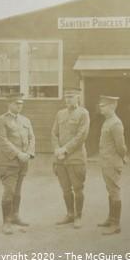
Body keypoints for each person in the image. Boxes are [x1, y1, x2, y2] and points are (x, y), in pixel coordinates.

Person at [0, 93, 35, 235]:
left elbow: (31, 138)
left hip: (23, 162)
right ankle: (6, 222)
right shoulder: (1, 120)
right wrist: (19, 154)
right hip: (8, 163)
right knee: (9, 191)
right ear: (9, 104)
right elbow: (2, 141)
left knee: (18, 191)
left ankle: (15, 216)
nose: (20, 106)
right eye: (17, 103)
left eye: (21, 103)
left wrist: (29, 153)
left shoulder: (25, 120)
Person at [51, 88, 90, 229]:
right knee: (65, 189)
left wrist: (65, 149)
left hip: (76, 158)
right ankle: (70, 214)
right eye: (66, 97)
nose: (68, 99)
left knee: (78, 188)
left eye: (71, 96)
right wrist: (57, 149)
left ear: (78, 98)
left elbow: (81, 136)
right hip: (60, 159)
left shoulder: (83, 113)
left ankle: (78, 216)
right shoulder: (60, 114)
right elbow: (54, 134)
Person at [98, 95, 128, 235]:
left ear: (112, 106)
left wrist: (123, 157)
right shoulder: (108, 121)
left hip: (112, 162)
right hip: (106, 161)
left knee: (114, 191)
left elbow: (120, 146)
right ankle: (111, 219)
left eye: (103, 105)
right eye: (101, 105)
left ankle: (116, 224)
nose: (100, 107)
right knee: (110, 190)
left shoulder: (115, 123)